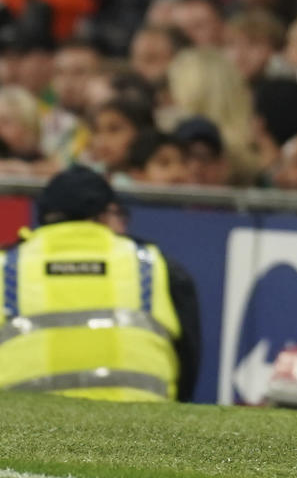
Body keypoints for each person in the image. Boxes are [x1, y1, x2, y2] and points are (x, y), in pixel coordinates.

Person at [0, 166, 198, 401]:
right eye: (119, 215)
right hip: (144, 428)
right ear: (103, 215)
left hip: (21, 430)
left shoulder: (7, 265)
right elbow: (188, 363)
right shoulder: (157, 265)